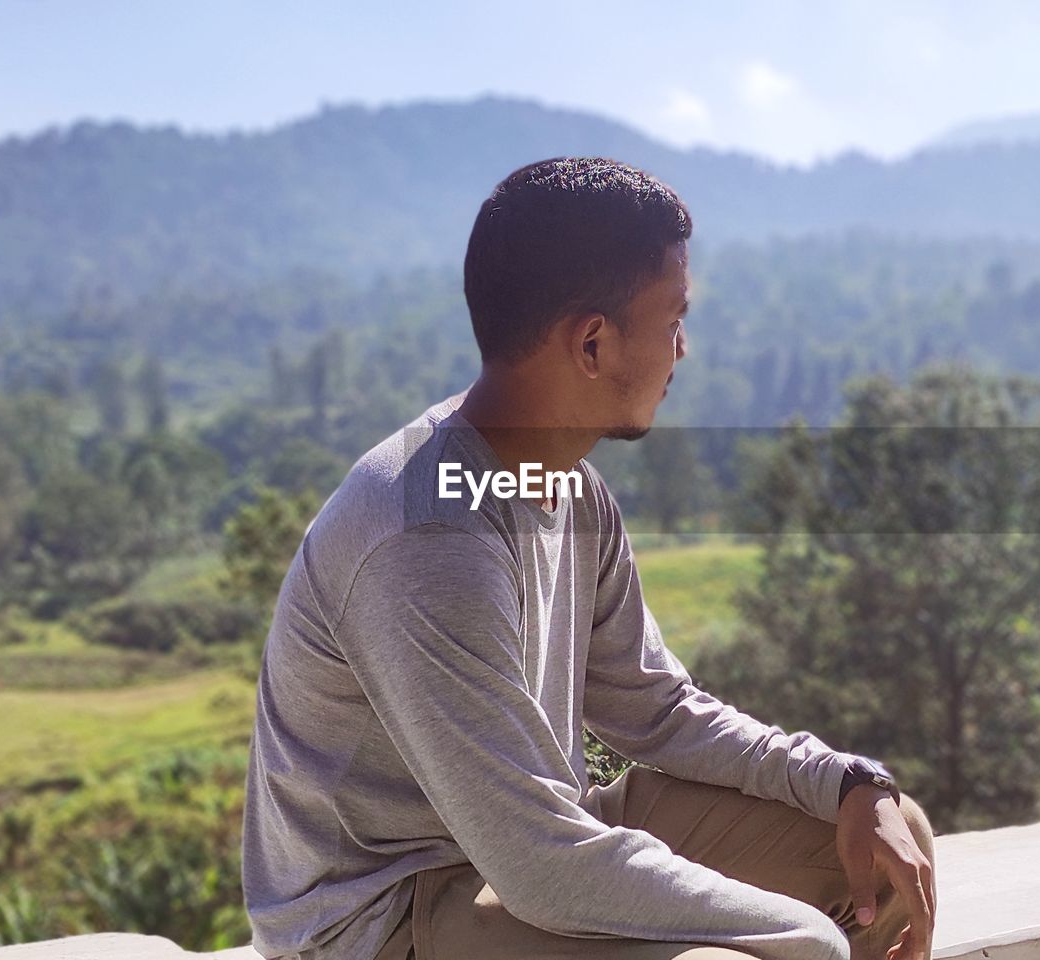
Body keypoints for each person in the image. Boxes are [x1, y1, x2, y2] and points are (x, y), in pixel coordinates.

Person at [241, 157, 937, 960]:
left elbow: (658, 712)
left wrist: (848, 780)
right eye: (673, 318)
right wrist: (803, 935)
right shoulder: (426, 539)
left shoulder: (568, 490)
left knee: (885, 840)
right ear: (595, 344)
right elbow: (540, 862)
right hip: (385, 916)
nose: (684, 348)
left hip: (524, 847)